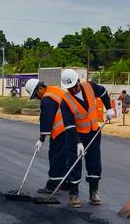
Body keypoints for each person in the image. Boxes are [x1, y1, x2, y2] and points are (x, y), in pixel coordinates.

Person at [59, 69, 114, 206]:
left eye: (74, 86)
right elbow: (69, 125)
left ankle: (93, 192)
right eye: (69, 88)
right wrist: (78, 143)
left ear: (78, 80)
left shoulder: (89, 86)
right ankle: (74, 194)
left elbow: (103, 92)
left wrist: (109, 108)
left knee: (94, 162)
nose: (73, 90)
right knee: (74, 164)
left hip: (94, 132)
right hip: (75, 136)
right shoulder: (65, 101)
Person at [24, 76, 82, 207]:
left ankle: (52, 185)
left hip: (61, 130)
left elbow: (47, 120)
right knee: (67, 157)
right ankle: (66, 183)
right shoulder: (55, 90)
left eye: (36, 95)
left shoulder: (47, 100)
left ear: (40, 89)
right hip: (71, 128)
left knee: (56, 157)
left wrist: (41, 139)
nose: (37, 97)